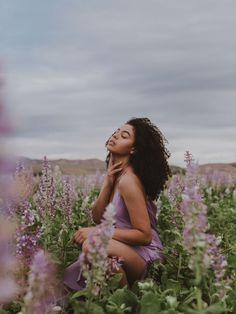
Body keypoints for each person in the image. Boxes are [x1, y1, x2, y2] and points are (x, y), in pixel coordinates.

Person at [64, 117, 171, 290]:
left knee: (92, 244)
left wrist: (97, 231)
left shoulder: (128, 181)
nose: (115, 135)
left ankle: (126, 303)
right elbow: (98, 217)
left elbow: (144, 235)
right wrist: (108, 181)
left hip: (147, 257)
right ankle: (118, 299)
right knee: (98, 259)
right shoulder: (117, 176)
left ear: (134, 149)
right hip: (126, 250)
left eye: (124, 135)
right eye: (116, 132)